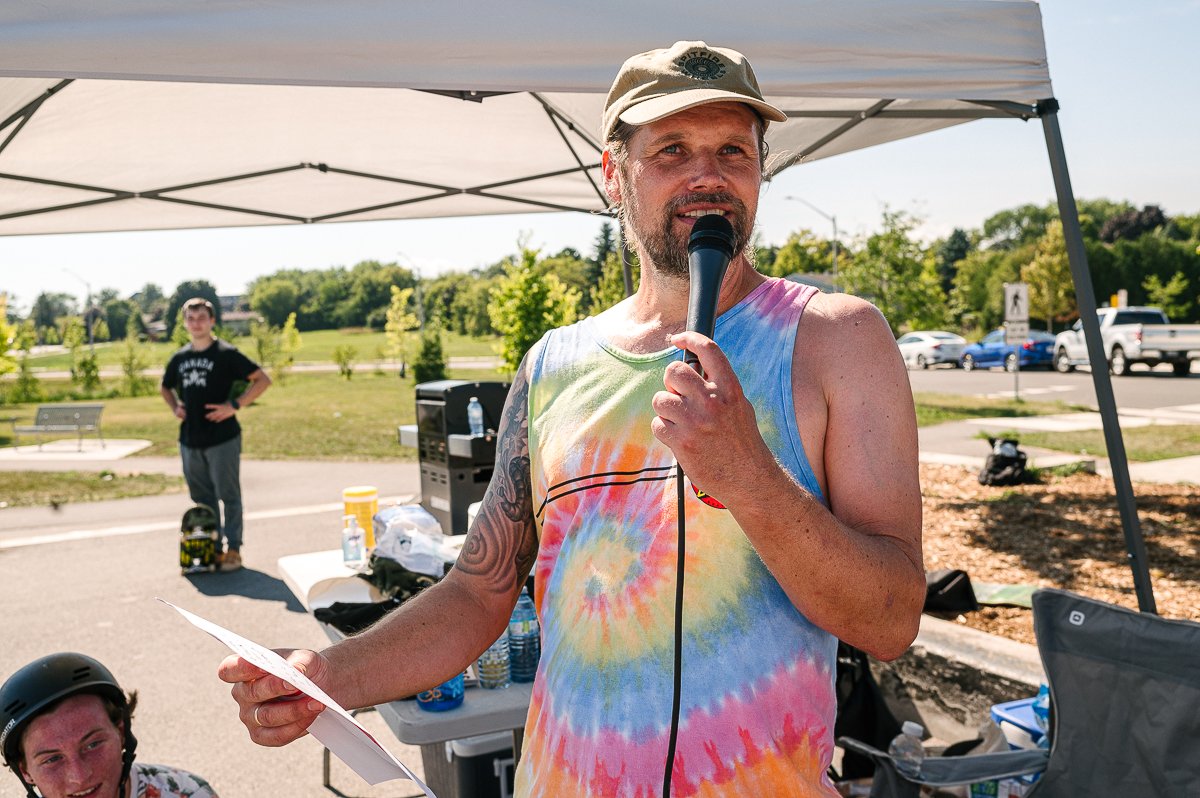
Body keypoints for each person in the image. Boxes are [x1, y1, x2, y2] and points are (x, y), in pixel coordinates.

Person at [219, 41, 923, 797]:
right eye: (672, 151)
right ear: (613, 175)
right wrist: (330, 674)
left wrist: (749, 477)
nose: (707, 177)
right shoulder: (553, 366)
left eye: (732, 151)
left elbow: (887, 620)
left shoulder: (838, 338)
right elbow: (477, 593)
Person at [1, 652, 218, 798]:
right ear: (25, 770)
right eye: (52, 759)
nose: (80, 776)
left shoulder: (187, 793)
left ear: (121, 733)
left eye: (93, 744)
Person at [161, 297, 270, 571]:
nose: (196, 323)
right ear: (185, 323)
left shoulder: (225, 353)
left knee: (228, 495)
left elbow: (262, 379)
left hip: (223, 437)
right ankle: (212, 547)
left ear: (212, 321)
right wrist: (176, 406)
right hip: (190, 438)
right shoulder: (180, 357)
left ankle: (233, 549)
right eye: (191, 318)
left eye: (201, 318)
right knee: (202, 498)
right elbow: (165, 387)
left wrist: (234, 405)